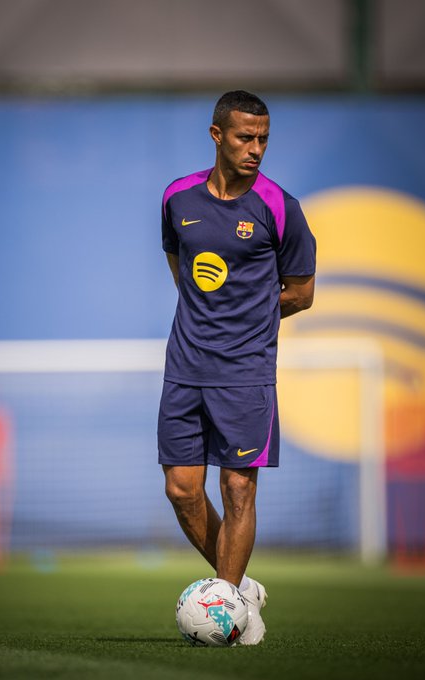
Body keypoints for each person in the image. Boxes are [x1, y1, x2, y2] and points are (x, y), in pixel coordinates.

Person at [158, 90, 316, 645]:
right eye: (246, 137)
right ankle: (242, 589)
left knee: (237, 489)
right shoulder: (177, 197)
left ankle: (230, 615)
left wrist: (248, 316)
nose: (256, 148)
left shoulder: (280, 206)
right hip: (185, 366)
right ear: (217, 135)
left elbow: (301, 293)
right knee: (182, 490)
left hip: (246, 372)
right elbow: (181, 269)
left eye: (263, 139)